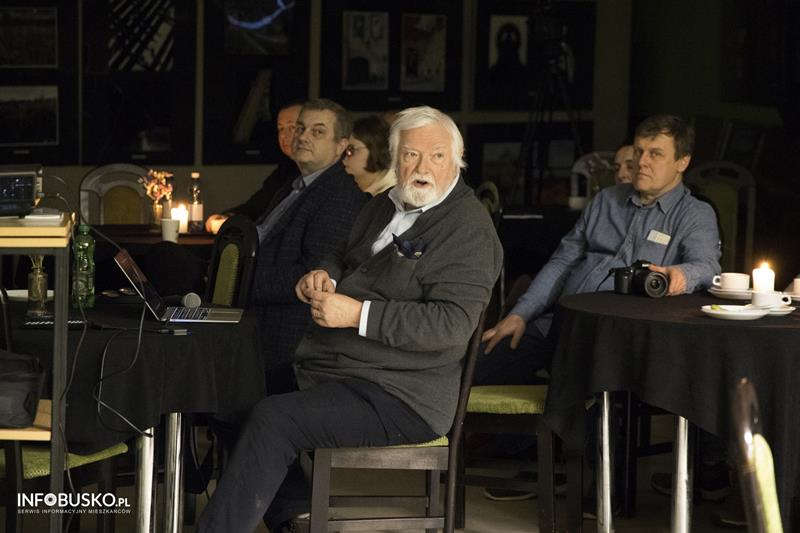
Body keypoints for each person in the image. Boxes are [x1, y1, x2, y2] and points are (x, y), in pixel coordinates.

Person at [197, 105, 503, 533]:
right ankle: (295, 517)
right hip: (340, 368)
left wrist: (358, 314)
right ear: (394, 157)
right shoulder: (383, 205)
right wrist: (323, 275)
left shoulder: (467, 228)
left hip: (403, 394)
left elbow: (450, 326)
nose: (422, 168)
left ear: (458, 158)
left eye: (437, 156)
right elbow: (341, 256)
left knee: (274, 418)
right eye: (411, 155)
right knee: (231, 395)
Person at [250, 98, 368, 393]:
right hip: (255, 317)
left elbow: (312, 274)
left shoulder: (340, 196)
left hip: (283, 334)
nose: (302, 137)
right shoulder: (294, 185)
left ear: (341, 146)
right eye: (301, 128)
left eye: (317, 131)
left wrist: (241, 283)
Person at [205, 101, 302, 231]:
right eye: (281, 129)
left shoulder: (318, 174)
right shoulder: (286, 169)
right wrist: (227, 217)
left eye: (292, 128)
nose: (284, 135)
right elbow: (257, 206)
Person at [342, 115, 397, 195]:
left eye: (351, 150)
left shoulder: (391, 195)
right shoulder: (344, 185)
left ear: (376, 149)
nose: (344, 157)